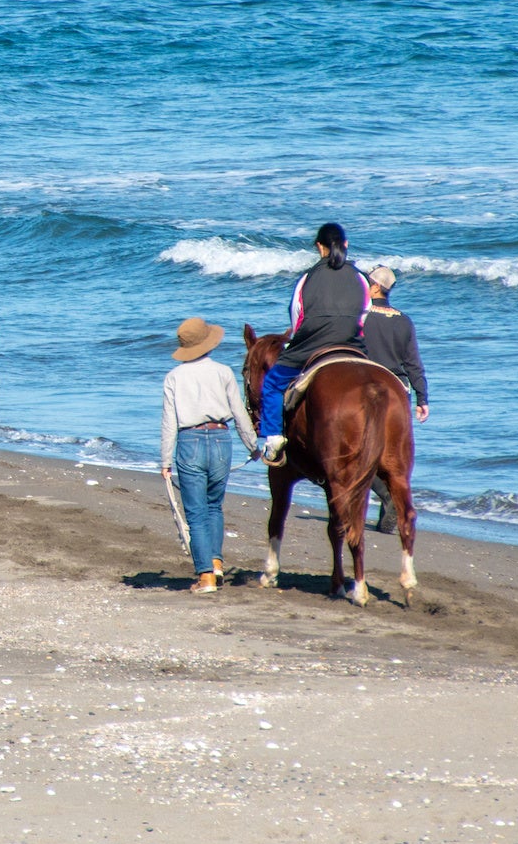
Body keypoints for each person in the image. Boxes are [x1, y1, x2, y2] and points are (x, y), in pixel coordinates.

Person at [159, 317, 260, 594]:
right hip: (221, 439)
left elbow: (169, 421)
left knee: (196, 513)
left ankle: (206, 577)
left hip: (189, 441)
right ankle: (216, 562)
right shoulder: (224, 371)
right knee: (214, 506)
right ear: (207, 343)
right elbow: (240, 413)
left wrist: (165, 461)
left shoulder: (174, 377)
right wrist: (252, 446)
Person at [259, 222, 369, 467]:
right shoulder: (361, 278)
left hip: (312, 347)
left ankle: (274, 437)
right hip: (352, 345)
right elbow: (364, 317)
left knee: (272, 384)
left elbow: (297, 319)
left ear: (319, 247)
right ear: (346, 244)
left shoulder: (306, 279)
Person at [360, 264, 427, 532]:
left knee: (364, 453)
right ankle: (387, 514)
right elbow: (413, 363)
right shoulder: (404, 320)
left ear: (375, 287)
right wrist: (423, 397)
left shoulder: (361, 318)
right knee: (391, 454)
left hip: (369, 388)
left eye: (367, 281)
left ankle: (386, 495)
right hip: (399, 391)